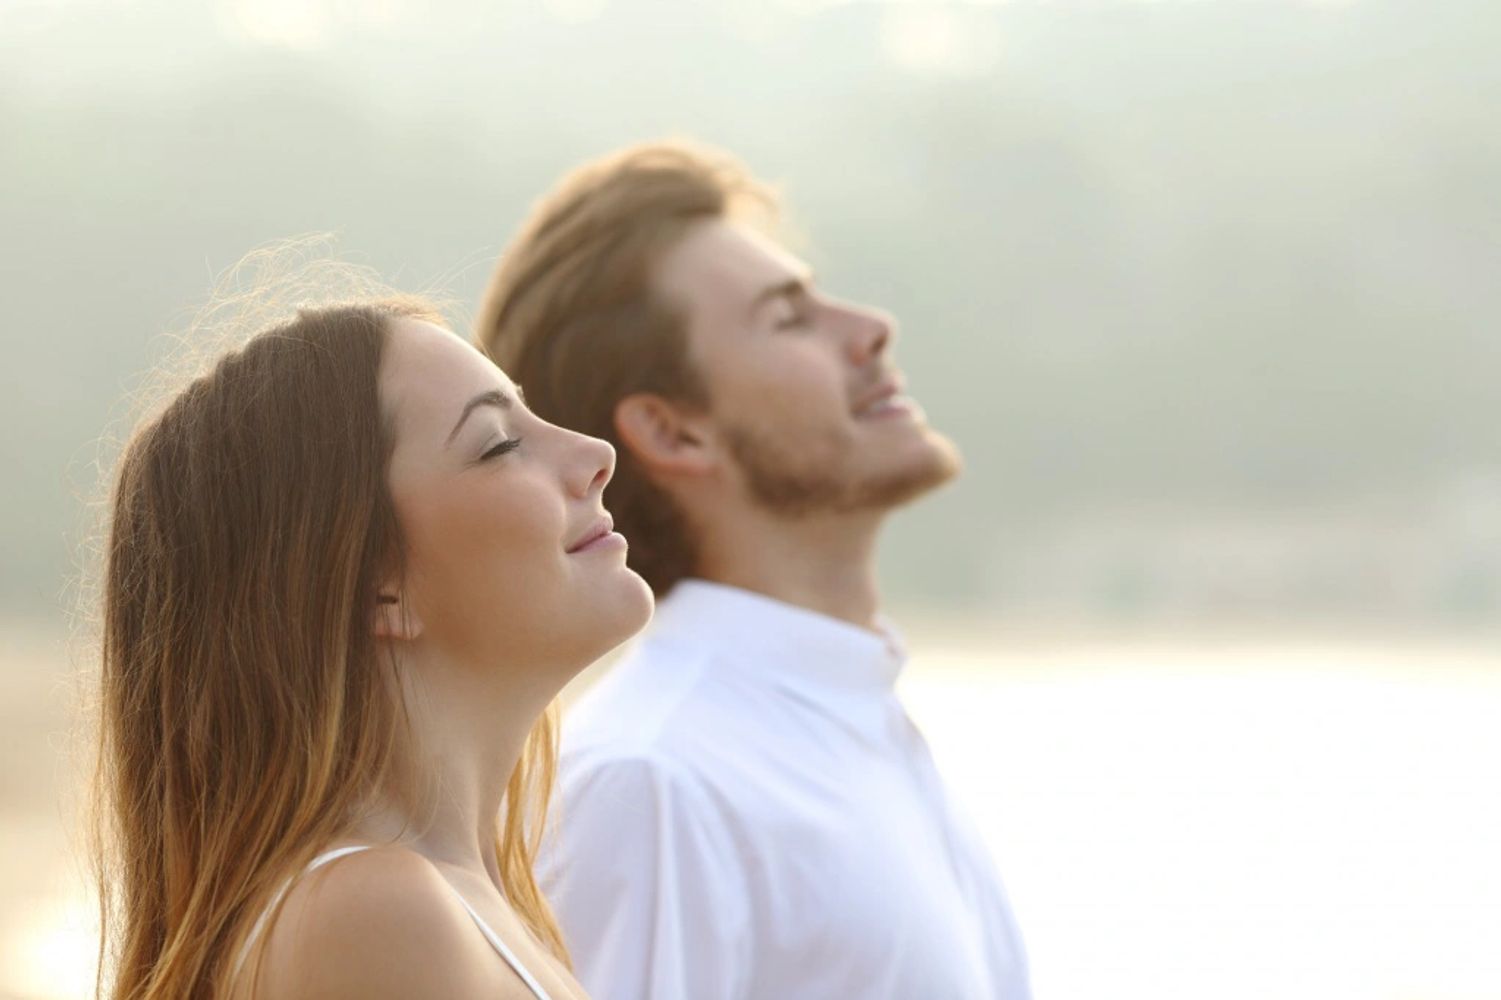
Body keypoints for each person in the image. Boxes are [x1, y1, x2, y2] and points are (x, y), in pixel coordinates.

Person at [476, 141, 1031, 999]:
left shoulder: (850, 723)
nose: (870, 327)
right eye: (788, 317)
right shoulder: (652, 783)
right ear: (673, 432)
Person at [94, 288, 652, 1000]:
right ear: (376, 588)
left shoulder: (471, 905)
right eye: (500, 444)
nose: (596, 453)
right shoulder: (371, 914)